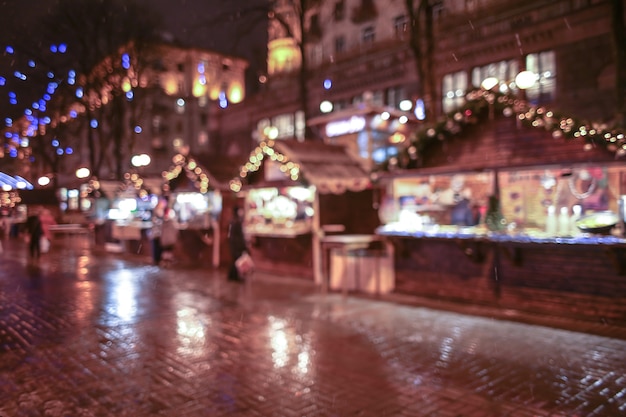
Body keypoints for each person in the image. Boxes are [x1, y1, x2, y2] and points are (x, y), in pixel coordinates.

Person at [227, 205, 247, 282]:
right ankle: (234, 276)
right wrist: (243, 246)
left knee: (234, 260)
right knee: (237, 260)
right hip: (237, 245)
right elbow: (239, 236)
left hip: (233, 245)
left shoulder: (233, 221)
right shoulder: (237, 222)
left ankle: (232, 276)